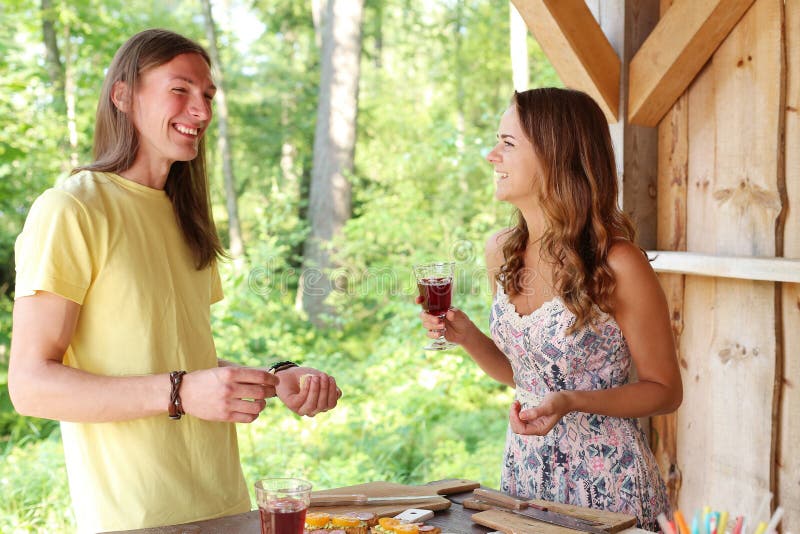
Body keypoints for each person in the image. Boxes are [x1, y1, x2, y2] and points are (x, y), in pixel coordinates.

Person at [8, 29, 341, 533]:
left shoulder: (186, 217)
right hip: (136, 519)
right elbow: (30, 386)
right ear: (123, 96)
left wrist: (278, 379)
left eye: (207, 96)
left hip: (224, 506)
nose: (202, 111)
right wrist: (181, 393)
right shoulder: (72, 208)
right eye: (180, 90)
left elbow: (178, 358)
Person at [418, 88, 682, 529]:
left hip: (607, 487)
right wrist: (466, 336)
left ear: (556, 155)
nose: (491, 155)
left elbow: (665, 390)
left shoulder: (618, 263)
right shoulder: (500, 251)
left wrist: (572, 402)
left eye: (508, 143)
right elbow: (521, 375)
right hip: (524, 479)